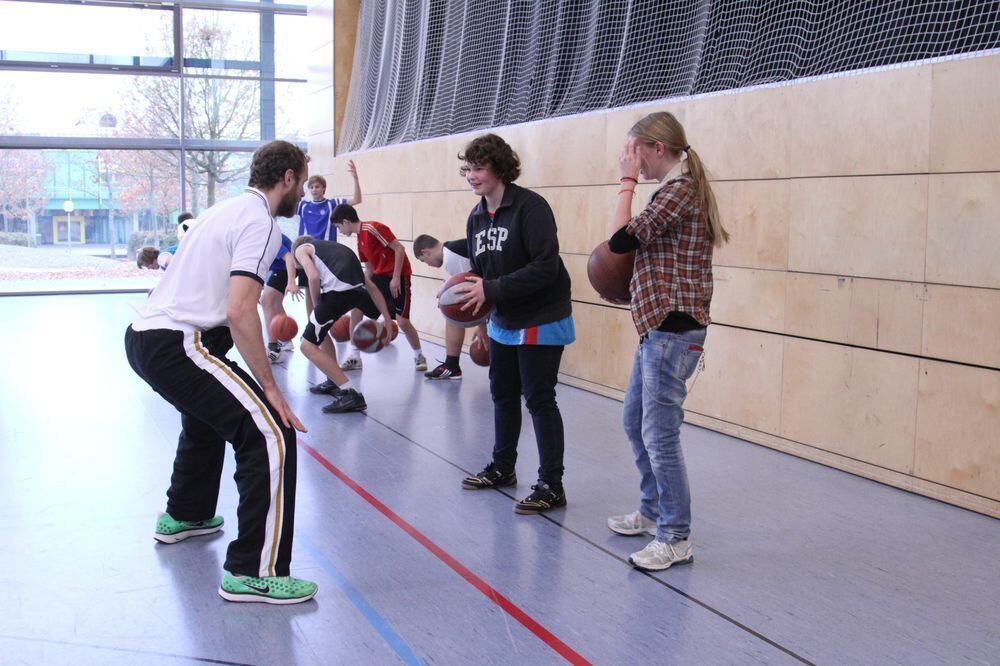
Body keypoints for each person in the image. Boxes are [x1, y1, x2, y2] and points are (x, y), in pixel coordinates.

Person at [124, 140, 317, 604]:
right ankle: (255, 571)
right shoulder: (261, 223)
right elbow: (239, 310)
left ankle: (186, 514)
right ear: (287, 177)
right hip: (179, 342)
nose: (304, 193)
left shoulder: (223, 209)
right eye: (303, 181)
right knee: (270, 433)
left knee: (208, 419)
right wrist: (271, 386)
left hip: (146, 336)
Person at [604, 111, 730, 572]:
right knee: (634, 420)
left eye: (636, 151)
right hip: (658, 329)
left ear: (658, 149)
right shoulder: (677, 191)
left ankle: (675, 536)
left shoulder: (678, 191)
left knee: (660, 437)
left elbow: (619, 239)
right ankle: (653, 509)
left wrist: (625, 180)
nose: (633, 160)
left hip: (672, 333)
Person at [452, 134, 575, 515]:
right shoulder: (476, 217)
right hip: (503, 318)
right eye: (467, 169)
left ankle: (551, 485)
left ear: (501, 168)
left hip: (541, 314)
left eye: (479, 168)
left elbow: (545, 266)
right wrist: (468, 304)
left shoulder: (530, 207)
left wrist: (492, 288)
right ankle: (503, 467)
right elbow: (481, 273)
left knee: (539, 399)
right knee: (502, 394)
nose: (472, 176)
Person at [292, 236, 393, 413]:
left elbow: (313, 277)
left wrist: (317, 307)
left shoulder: (300, 250)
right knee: (321, 335)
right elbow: (372, 288)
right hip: (357, 293)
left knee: (306, 346)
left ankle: (350, 394)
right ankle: (333, 379)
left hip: (338, 294)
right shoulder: (334, 250)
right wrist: (387, 319)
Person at [331, 204, 427, 372]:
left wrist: (396, 277)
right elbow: (369, 269)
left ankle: (419, 355)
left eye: (338, 227)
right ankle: (355, 358)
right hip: (379, 279)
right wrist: (358, 286)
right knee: (356, 309)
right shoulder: (359, 240)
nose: (339, 231)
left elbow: (399, 248)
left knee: (402, 322)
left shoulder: (373, 228)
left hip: (398, 276)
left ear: (345, 222)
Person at [412, 233, 488, 380]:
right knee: (452, 309)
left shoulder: (451, 257)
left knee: (453, 312)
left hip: (505, 288)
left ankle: (452, 366)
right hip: (498, 285)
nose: (427, 264)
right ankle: (452, 366)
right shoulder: (452, 250)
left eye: (424, 261)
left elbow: (475, 288)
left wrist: (482, 327)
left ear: (425, 252)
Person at [261, 234, 306, 363]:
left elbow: (289, 258)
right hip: (278, 268)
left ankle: (274, 348)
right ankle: (285, 339)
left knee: (267, 301)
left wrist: (291, 281)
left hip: (287, 267)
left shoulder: (268, 235)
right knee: (273, 302)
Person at [295, 162, 361, 243]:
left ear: (324, 188)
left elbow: (356, 200)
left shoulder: (332, 204)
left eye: (317, 186)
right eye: (311, 187)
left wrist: (356, 179)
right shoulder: (303, 205)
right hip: (305, 249)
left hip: (326, 250)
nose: (314, 189)